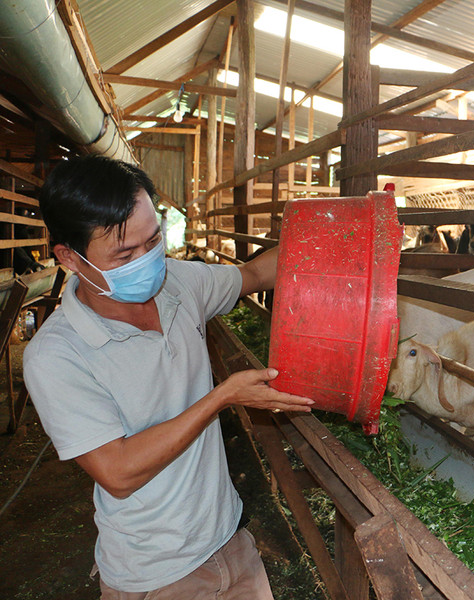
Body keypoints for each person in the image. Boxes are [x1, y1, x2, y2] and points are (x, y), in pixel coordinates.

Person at [23, 154, 314, 599]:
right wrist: (220, 398)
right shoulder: (56, 355)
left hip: (229, 540)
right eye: (125, 254)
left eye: (153, 241)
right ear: (70, 257)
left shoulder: (179, 282)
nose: (148, 261)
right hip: (155, 572)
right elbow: (117, 472)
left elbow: (254, 273)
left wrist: (335, 240)